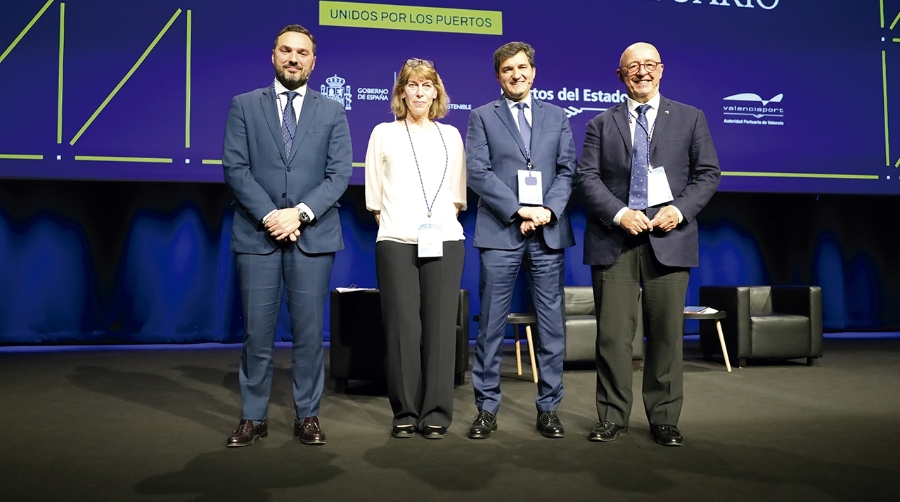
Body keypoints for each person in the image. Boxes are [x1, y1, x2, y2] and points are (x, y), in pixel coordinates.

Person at [576, 42, 720, 447]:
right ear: (620, 75)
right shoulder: (600, 123)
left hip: (669, 239)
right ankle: (611, 416)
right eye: (632, 67)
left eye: (649, 65)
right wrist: (620, 213)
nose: (642, 72)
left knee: (666, 336)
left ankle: (664, 418)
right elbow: (586, 177)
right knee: (613, 338)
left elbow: (708, 174)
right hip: (614, 241)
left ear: (661, 70)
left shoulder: (691, 118)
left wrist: (680, 210)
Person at [222, 24, 352, 447]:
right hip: (257, 236)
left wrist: (298, 214)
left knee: (310, 334)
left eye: (302, 52)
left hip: (312, 236)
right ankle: (253, 417)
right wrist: (270, 217)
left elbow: (339, 175)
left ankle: (308, 416)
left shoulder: (332, 110)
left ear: (314, 61)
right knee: (257, 333)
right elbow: (236, 169)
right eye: (286, 51)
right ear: (273, 56)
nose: (294, 58)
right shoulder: (244, 105)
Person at [465, 42, 576, 439]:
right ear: (498, 75)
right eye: (509, 69)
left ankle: (549, 408)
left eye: (523, 67)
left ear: (534, 72)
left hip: (547, 231)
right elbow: (477, 172)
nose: (517, 75)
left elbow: (567, 171)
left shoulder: (557, 116)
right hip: (501, 231)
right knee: (492, 327)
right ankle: (486, 408)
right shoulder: (481, 117)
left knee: (551, 327)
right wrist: (519, 210)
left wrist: (546, 211)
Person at [364, 58, 467, 440]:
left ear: (436, 91)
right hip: (394, 240)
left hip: (445, 239)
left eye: (427, 85)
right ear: (401, 92)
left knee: (441, 329)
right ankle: (405, 411)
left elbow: (457, 195)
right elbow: (374, 198)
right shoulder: (383, 133)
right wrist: (402, 228)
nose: (420, 92)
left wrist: (434, 224)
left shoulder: (452, 135)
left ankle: (437, 411)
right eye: (412, 85)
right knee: (403, 329)